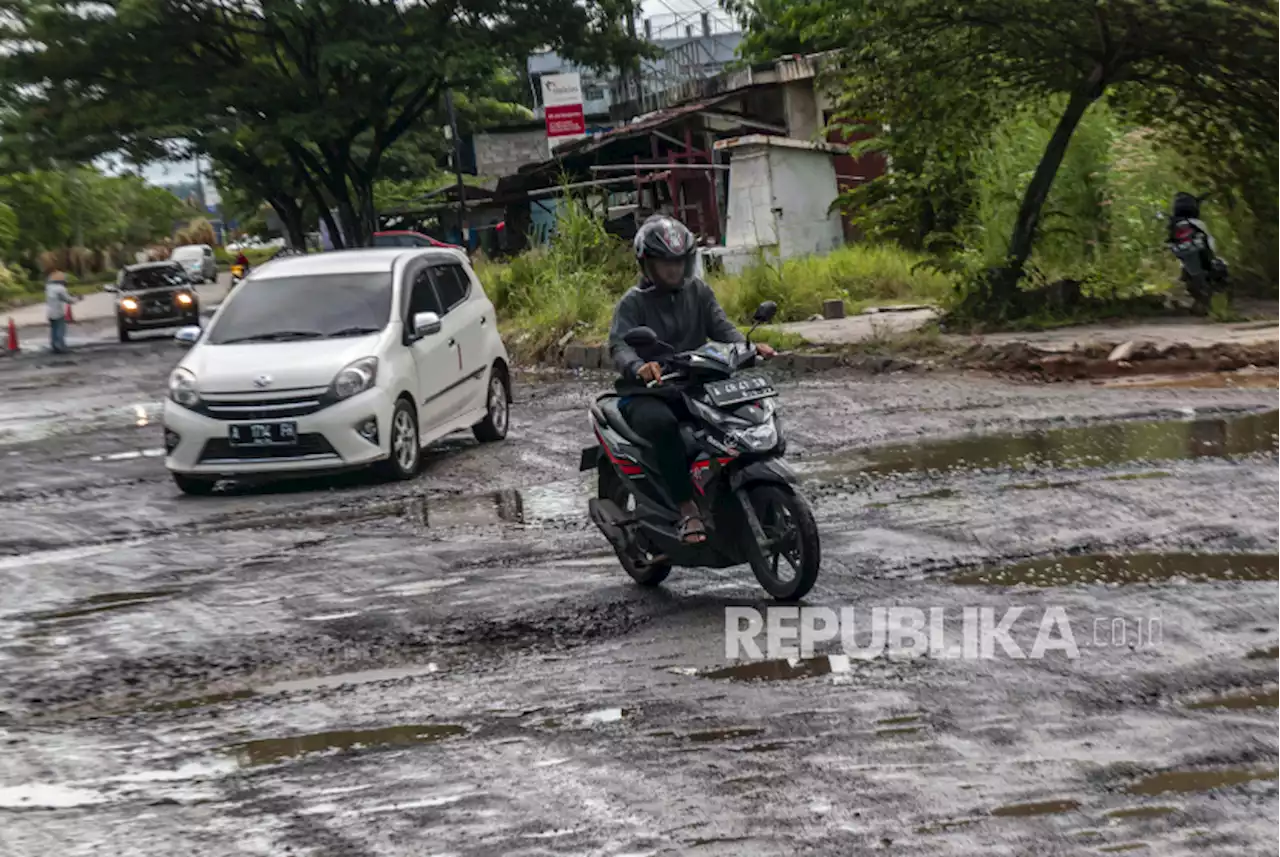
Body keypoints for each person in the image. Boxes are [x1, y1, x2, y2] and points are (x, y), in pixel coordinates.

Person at [607, 215, 776, 545]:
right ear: (647, 264)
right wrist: (639, 367)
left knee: (731, 417)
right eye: (664, 262)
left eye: (678, 261)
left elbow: (721, 328)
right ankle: (686, 508)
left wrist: (747, 346)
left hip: (693, 381)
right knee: (665, 426)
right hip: (648, 392)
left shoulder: (698, 290)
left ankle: (727, 487)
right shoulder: (632, 303)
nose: (673, 269)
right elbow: (619, 344)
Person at [45, 270, 79, 354]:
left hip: (49, 312)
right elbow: (68, 300)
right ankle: (60, 347)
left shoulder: (48, 288)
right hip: (58, 312)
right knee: (60, 330)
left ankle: (54, 346)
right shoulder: (60, 289)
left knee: (54, 330)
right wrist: (77, 299)